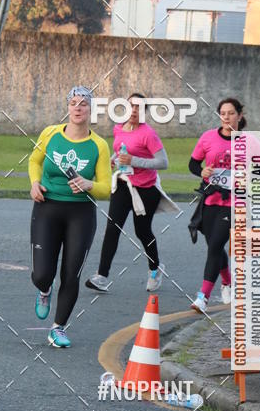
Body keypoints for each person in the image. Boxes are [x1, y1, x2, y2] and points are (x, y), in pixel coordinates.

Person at [28, 86, 111, 348]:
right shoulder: (50, 133)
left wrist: (88, 184)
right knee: (42, 274)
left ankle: (58, 328)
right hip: (47, 208)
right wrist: (34, 183)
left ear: (90, 109)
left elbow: (107, 188)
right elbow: (34, 161)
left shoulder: (99, 145)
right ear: (67, 108)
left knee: (71, 273)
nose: (78, 108)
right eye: (73, 103)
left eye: (83, 104)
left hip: (81, 214)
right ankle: (44, 290)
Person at [86, 93, 179, 294]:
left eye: (139, 107)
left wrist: (134, 161)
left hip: (145, 190)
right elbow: (122, 149)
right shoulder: (118, 128)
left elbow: (163, 162)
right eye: (131, 106)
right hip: (122, 184)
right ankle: (102, 276)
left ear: (144, 112)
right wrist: (114, 158)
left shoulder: (149, 134)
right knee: (112, 228)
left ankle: (155, 269)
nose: (134, 110)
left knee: (142, 232)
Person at [188, 97, 246, 314]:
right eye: (223, 113)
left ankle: (203, 297)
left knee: (214, 246)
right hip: (210, 200)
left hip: (233, 202)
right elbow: (193, 163)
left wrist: (245, 173)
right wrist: (201, 171)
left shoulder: (248, 141)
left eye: (231, 113)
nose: (227, 117)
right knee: (214, 244)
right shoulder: (208, 137)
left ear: (239, 115)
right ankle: (228, 281)